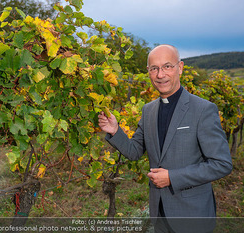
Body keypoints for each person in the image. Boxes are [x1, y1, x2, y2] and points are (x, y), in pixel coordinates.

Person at [98, 44, 233, 233]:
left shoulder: (203, 110)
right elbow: (135, 151)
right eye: (154, 68)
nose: (160, 74)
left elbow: (222, 164)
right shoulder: (148, 110)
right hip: (159, 213)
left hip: (193, 216)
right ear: (149, 72)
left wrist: (172, 177)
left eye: (167, 66)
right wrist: (115, 131)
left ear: (180, 67)